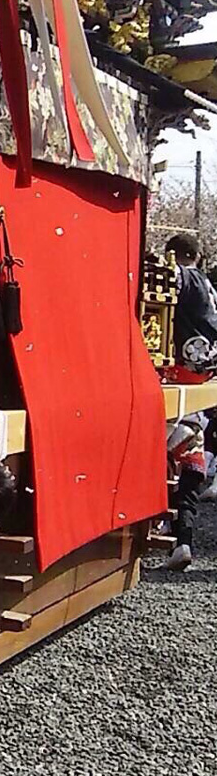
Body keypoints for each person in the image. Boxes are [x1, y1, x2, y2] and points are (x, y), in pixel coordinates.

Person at [165, 234, 217, 570]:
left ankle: (173, 528)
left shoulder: (184, 276)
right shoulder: (210, 288)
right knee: (193, 444)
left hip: (181, 369)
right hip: (207, 370)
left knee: (175, 441)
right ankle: (181, 535)